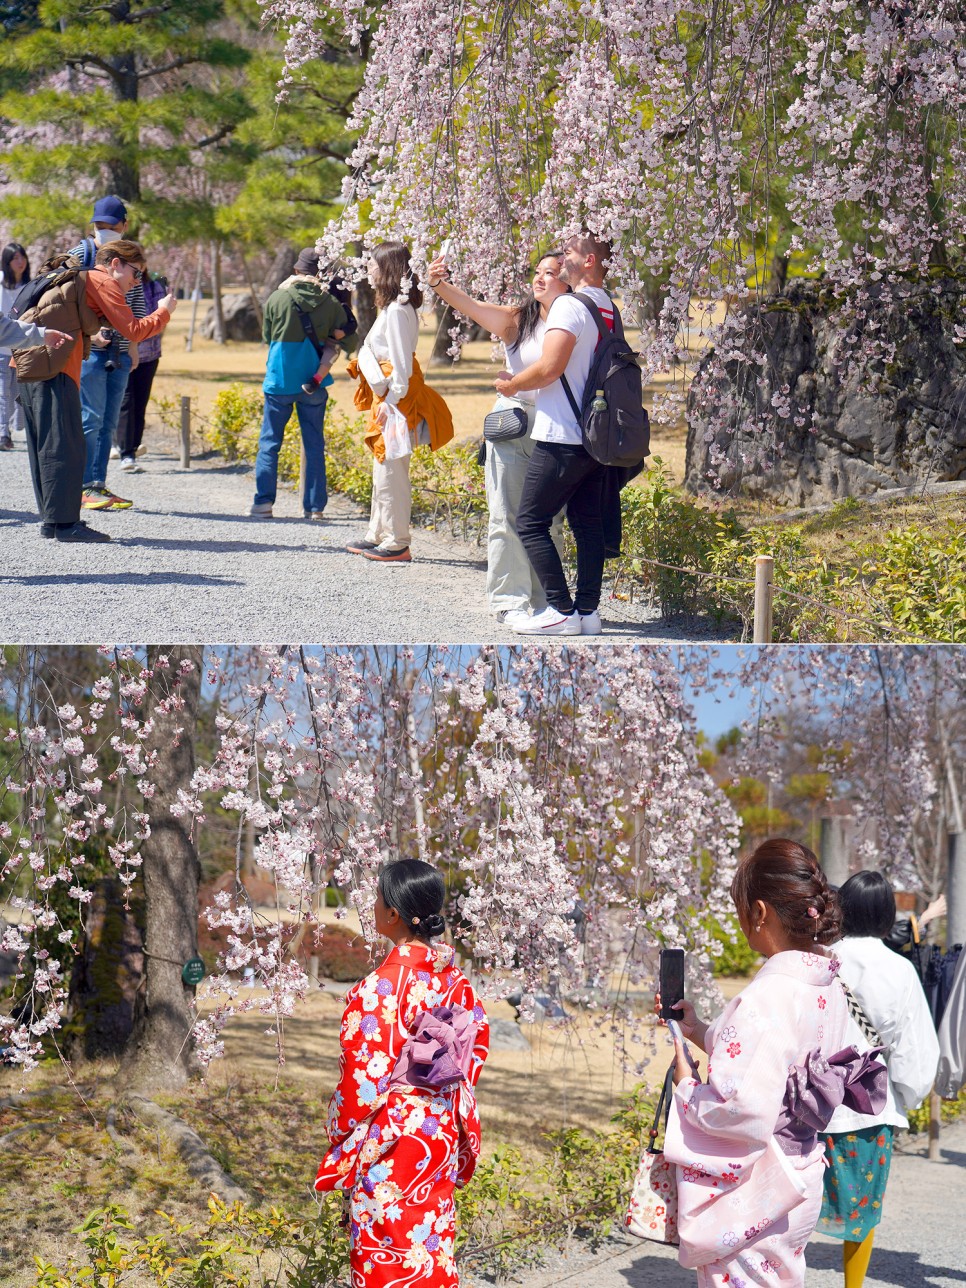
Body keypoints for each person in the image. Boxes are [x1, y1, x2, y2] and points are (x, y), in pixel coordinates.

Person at [657, 838, 886, 1288]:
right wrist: (698, 1029)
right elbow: (774, 1062)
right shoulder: (826, 984)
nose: (743, 923)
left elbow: (737, 1108)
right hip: (801, 1171)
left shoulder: (768, 995)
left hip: (760, 1185)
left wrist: (687, 1085)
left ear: (759, 912)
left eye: (742, 911)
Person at [314, 859, 489, 1287]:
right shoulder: (455, 980)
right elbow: (474, 1048)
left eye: (377, 899)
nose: (372, 906)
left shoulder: (378, 988)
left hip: (395, 1140)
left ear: (392, 914)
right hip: (441, 1129)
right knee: (428, 1247)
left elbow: (360, 1082)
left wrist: (336, 1127)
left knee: (388, 1255)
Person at [426, 249, 569, 626]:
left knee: (548, 520)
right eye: (537, 271)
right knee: (506, 513)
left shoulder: (577, 320)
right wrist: (439, 283)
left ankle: (545, 600)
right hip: (515, 424)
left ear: (568, 281)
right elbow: (470, 305)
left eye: (550, 273)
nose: (539, 278)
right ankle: (510, 598)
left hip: (557, 430)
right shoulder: (517, 320)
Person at [817, 871, 940, 1288]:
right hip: (869, 1106)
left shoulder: (819, 958)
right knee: (862, 1210)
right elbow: (914, 1048)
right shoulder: (900, 970)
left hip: (810, 1102)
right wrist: (905, 1096)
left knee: (792, 1204)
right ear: (888, 915)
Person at [494, 230, 618, 635]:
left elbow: (550, 367)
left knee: (529, 521)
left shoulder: (567, 305)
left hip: (561, 433)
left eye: (572, 250)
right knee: (586, 525)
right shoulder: (607, 307)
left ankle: (560, 611)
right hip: (595, 437)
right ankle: (588, 613)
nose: (563, 253)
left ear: (589, 262)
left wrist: (512, 385)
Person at [12, 240, 175, 542]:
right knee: (67, 448)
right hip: (54, 369)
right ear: (116, 264)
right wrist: (163, 312)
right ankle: (66, 524)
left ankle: (52, 521)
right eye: (136, 273)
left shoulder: (82, 278)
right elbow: (134, 331)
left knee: (45, 447)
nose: (136, 282)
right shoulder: (103, 280)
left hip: (28, 364)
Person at [345, 241, 454, 562]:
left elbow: (401, 367)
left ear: (388, 270)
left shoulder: (396, 312)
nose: (369, 270)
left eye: (374, 266)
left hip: (395, 400)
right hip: (391, 397)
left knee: (391, 470)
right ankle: (378, 533)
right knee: (384, 468)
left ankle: (397, 540)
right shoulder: (395, 309)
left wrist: (388, 402)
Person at [250, 248, 349, 521]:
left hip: (280, 379)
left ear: (297, 271)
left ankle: (263, 504)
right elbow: (345, 338)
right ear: (322, 274)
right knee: (315, 443)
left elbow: (268, 336)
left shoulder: (277, 297)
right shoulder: (330, 302)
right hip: (313, 383)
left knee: (270, 443)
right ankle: (315, 507)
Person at [69, 196, 150, 511]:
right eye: (99, 225)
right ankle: (81, 485)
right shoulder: (80, 253)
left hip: (120, 350)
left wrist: (134, 345)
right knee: (89, 417)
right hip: (90, 349)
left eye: (111, 226)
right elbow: (64, 298)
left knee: (108, 421)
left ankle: (98, 485)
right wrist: (89, 332)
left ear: (124, 226)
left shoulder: (129, 256)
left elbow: (138, 300)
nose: (105, 230)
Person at [113, 267, 169, 472]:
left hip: (150, 353)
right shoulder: (117, 285)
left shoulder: (153, 286)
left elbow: (162, 317)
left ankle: (132, 446)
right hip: (124, 351)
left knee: (140, 402)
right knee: (126, 401)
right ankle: (125, 452)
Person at [1, 242, 32, 451]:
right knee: (3, 393)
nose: (20, 262)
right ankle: (3, 433)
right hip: (1, 348)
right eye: (15, 258)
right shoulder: (0, 282)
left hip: (22, 349)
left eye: (23, 257)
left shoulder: (30, 286)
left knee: (16, 393)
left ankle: (13, 427)